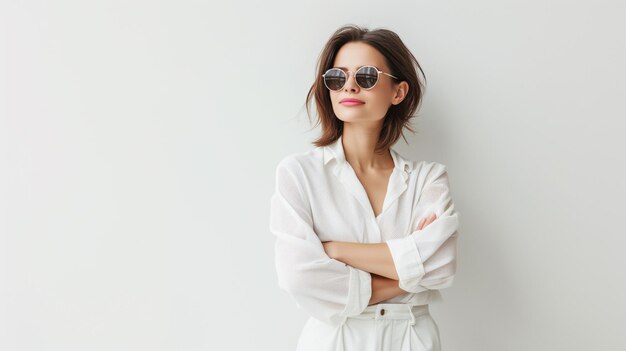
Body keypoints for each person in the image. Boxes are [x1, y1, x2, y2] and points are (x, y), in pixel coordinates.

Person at [269, 24, 460, 351]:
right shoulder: (299, 174)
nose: (350, 87)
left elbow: (442, 263)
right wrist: (409, 273)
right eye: (337, 77)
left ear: (398, 92)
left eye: (367, 76)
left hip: (411, 337)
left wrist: (336, 251)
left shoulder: (427, 179)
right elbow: (299, 276)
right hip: (334, 339)